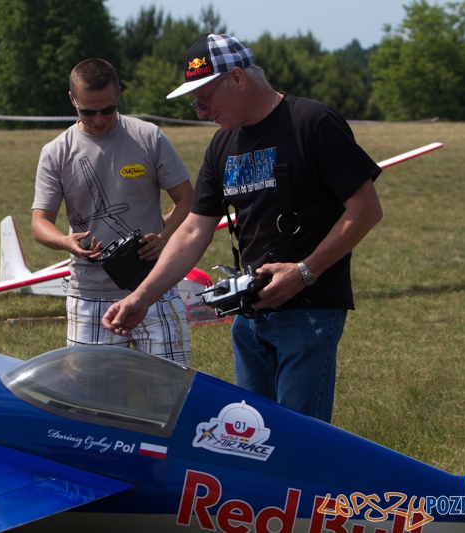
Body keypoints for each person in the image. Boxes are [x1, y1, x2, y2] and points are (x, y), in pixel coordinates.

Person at [102, 34, 383, 422]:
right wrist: (141, 297)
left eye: (204, 98)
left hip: (308, 312)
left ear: (237, 79)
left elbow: (366, 209)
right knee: (251, 435)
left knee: (301, 440)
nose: (200, 111)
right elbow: (191, 231)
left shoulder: (312, 123)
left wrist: (304, 272)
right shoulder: (222, 146)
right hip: (249, 318)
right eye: (194, 101)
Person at [32, 58, 194, 366]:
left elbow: (187, 198)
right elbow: (40, 222)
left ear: (118, 94)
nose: (98, 119)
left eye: (107, 109)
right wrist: (66, 243)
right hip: (89, 296)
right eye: (87, 111)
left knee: (172, 396)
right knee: (92, 403)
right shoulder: (56, 152)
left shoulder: (149, 136)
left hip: (154, 288)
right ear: (72, 99)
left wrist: (163, 237)